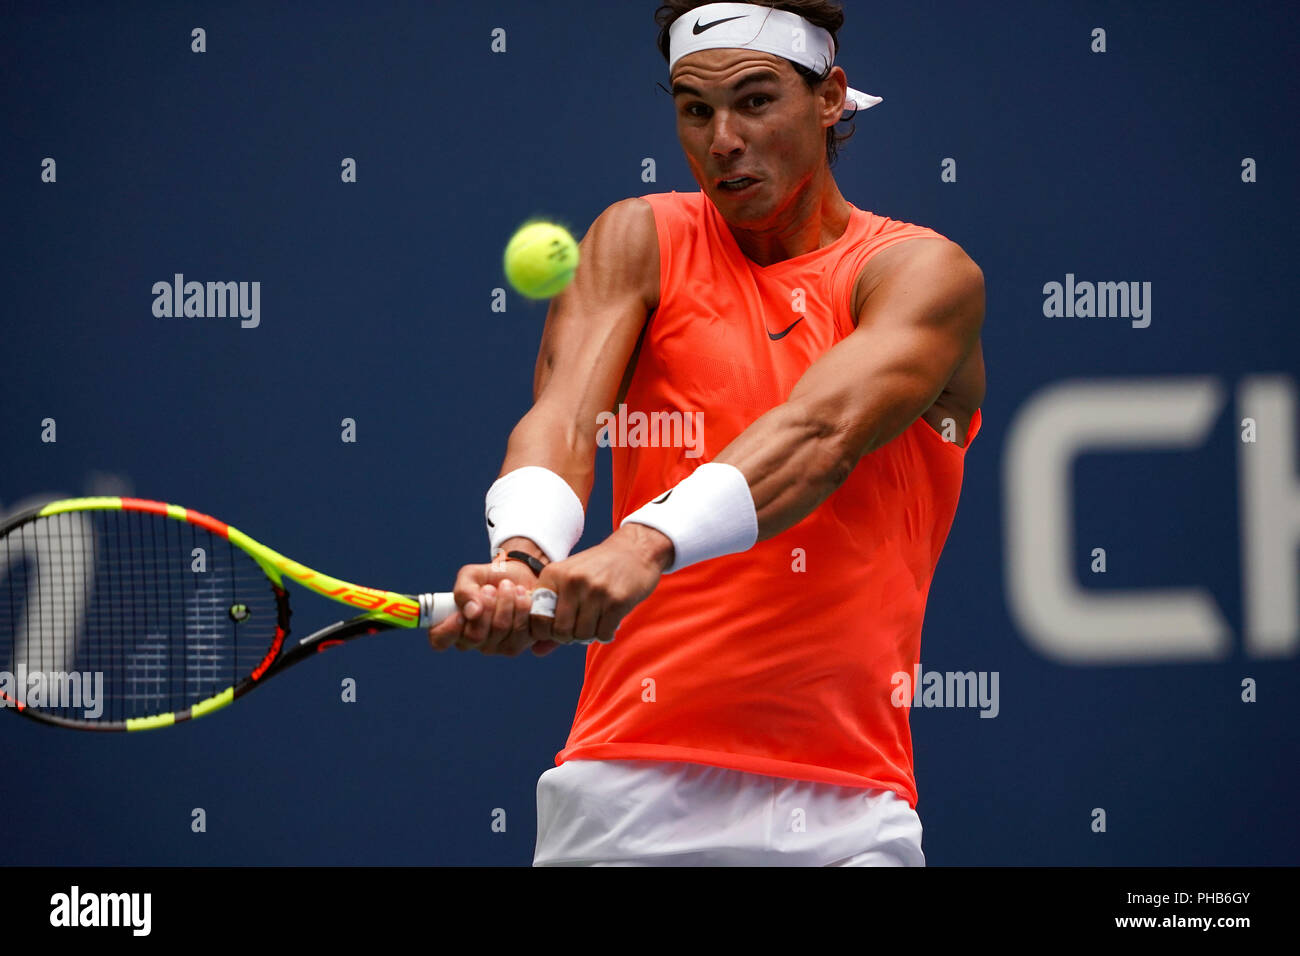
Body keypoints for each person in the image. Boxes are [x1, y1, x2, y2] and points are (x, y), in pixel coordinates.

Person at [428, 0, 985, 866]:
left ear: (830, 97)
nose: (722, 137)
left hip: (844, 812)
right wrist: (523, 556)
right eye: (695, 109)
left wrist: (642, 544)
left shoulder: (919, 274)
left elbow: (819, 433)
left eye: (756, 101)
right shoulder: (639, 238)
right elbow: (564, 416)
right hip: (621, 793)